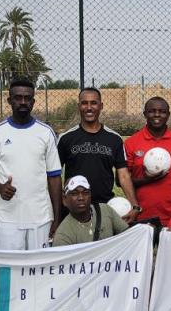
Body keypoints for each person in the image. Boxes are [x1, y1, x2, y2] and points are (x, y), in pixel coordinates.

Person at [0, 78, 62, 250]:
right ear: (9, 100)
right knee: (8, 269)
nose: (23, 102)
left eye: (28, 98)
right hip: (7, 218)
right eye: (18, 98)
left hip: (40, 218)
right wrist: (0, 188)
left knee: (39, 269)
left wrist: (57, 217)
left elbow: (54, 177)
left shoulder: (46, 133)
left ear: (33, 101)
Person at [57, 87, 141, 221]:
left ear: (101, 106)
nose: (89, 107)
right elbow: (55, 175)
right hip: (74, 208)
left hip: (103, 207)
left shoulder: (114, 138)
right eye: (84, 103)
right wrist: (61, 200)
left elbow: (123, 175)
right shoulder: (66, 138)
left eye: (93, 103)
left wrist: (135, 206)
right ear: (79, 106)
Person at [124, 96, 171, 226]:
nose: (157, 114)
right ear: (145, 114)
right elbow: (121, 181)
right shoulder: (131, 143)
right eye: (152, 111)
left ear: (168, 114)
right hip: (141, 215)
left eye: (162, 111)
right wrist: (146, 180)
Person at [52, 175, 130, 246]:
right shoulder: (63, 236)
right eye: (74, 194)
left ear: (90, 196)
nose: (81, 198)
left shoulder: (106, 210)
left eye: (85, 193)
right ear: (65, 199)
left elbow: (129, 236)